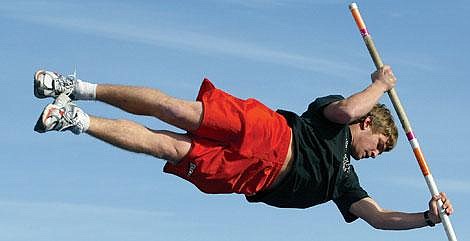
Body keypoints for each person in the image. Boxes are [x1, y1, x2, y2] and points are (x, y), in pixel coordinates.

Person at [33, 65, 453, 230]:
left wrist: (428, 218)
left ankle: (75, 119)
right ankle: (77, 88)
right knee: (176, 111)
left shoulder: (345, 182)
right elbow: (346, 110)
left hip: (257, 176)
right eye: (379, 145)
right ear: (369, 123)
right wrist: (379, 85)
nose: (375, 155)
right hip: (269, 133)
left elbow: (379, 219)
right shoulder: (336, 119)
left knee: (169, 148)